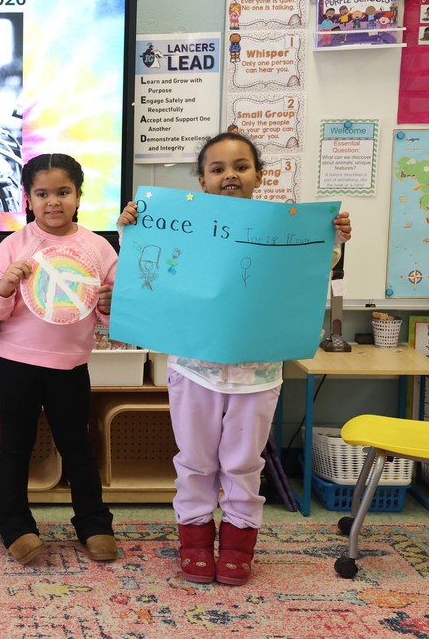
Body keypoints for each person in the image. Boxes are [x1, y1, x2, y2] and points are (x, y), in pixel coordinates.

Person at [117, 132, 352, 585]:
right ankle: (196, 543)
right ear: (201, 180)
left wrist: (333, 238)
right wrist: (133, 225)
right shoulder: (185, 223)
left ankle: (240, 542)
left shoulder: (281, 226)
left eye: (241, 166)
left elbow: (310, 270)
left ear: (259, 176)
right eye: (218, 168)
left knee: (244, 464)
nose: (230, 175)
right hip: (193, 371)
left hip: (258, 375)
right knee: (196, 461)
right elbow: (152, 264)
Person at [0, 153, 119, 566]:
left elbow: (112, 313)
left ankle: (94, 523)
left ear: (79, 196)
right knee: (16, 446)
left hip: (70, 365)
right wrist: (4, 286)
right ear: (28, 198)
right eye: (42, 193)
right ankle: (15, 525)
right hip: (16, 363)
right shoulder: (14, 244)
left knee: (77, 445)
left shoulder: (97, 247)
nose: (53, 201)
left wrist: (110, 303)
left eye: (63, 192)